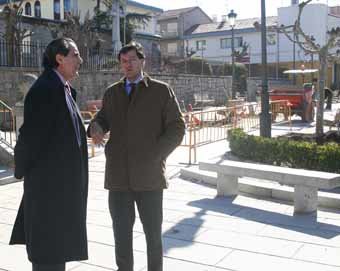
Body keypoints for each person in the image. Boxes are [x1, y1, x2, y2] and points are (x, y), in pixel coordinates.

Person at [88, 41, 185, 271]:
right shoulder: (112, 92)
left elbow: (177, 127)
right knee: (121, 235)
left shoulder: (161, 91)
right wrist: (96, 127)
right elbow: (103, 118)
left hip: (149, 177)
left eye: (132, 60)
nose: (127, 65)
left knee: (153, 236)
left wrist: (156, 155)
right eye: (123, 61)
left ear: (143, 61)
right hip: (118, 177)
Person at [9, 38, 89, 271]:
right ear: (59, 58)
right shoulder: (45, 90)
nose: (80, 60)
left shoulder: (63, 88)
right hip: (49, 192)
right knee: (48, 254)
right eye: (75, 55)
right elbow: (29, 138)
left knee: (57, 250)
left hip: (61, 191)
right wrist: (22, 171)